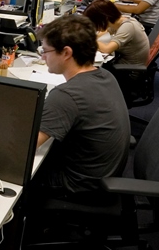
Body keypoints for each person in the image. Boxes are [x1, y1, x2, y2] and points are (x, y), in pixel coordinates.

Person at [35, 15, 130, 196]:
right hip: (102, 174)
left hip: (79, 186)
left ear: (66, 53)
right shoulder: (105, 75)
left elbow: (25, 147)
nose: (43, 56)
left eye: (45, 51)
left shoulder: (66, 96)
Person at [83, 0, 150, 66]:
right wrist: (91, 36)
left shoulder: (127, 27)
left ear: (104, 18)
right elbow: (107, 30)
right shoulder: (122, 19)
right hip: (124, 60)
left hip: (129, 68)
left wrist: (92, 40)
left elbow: (107, 49)